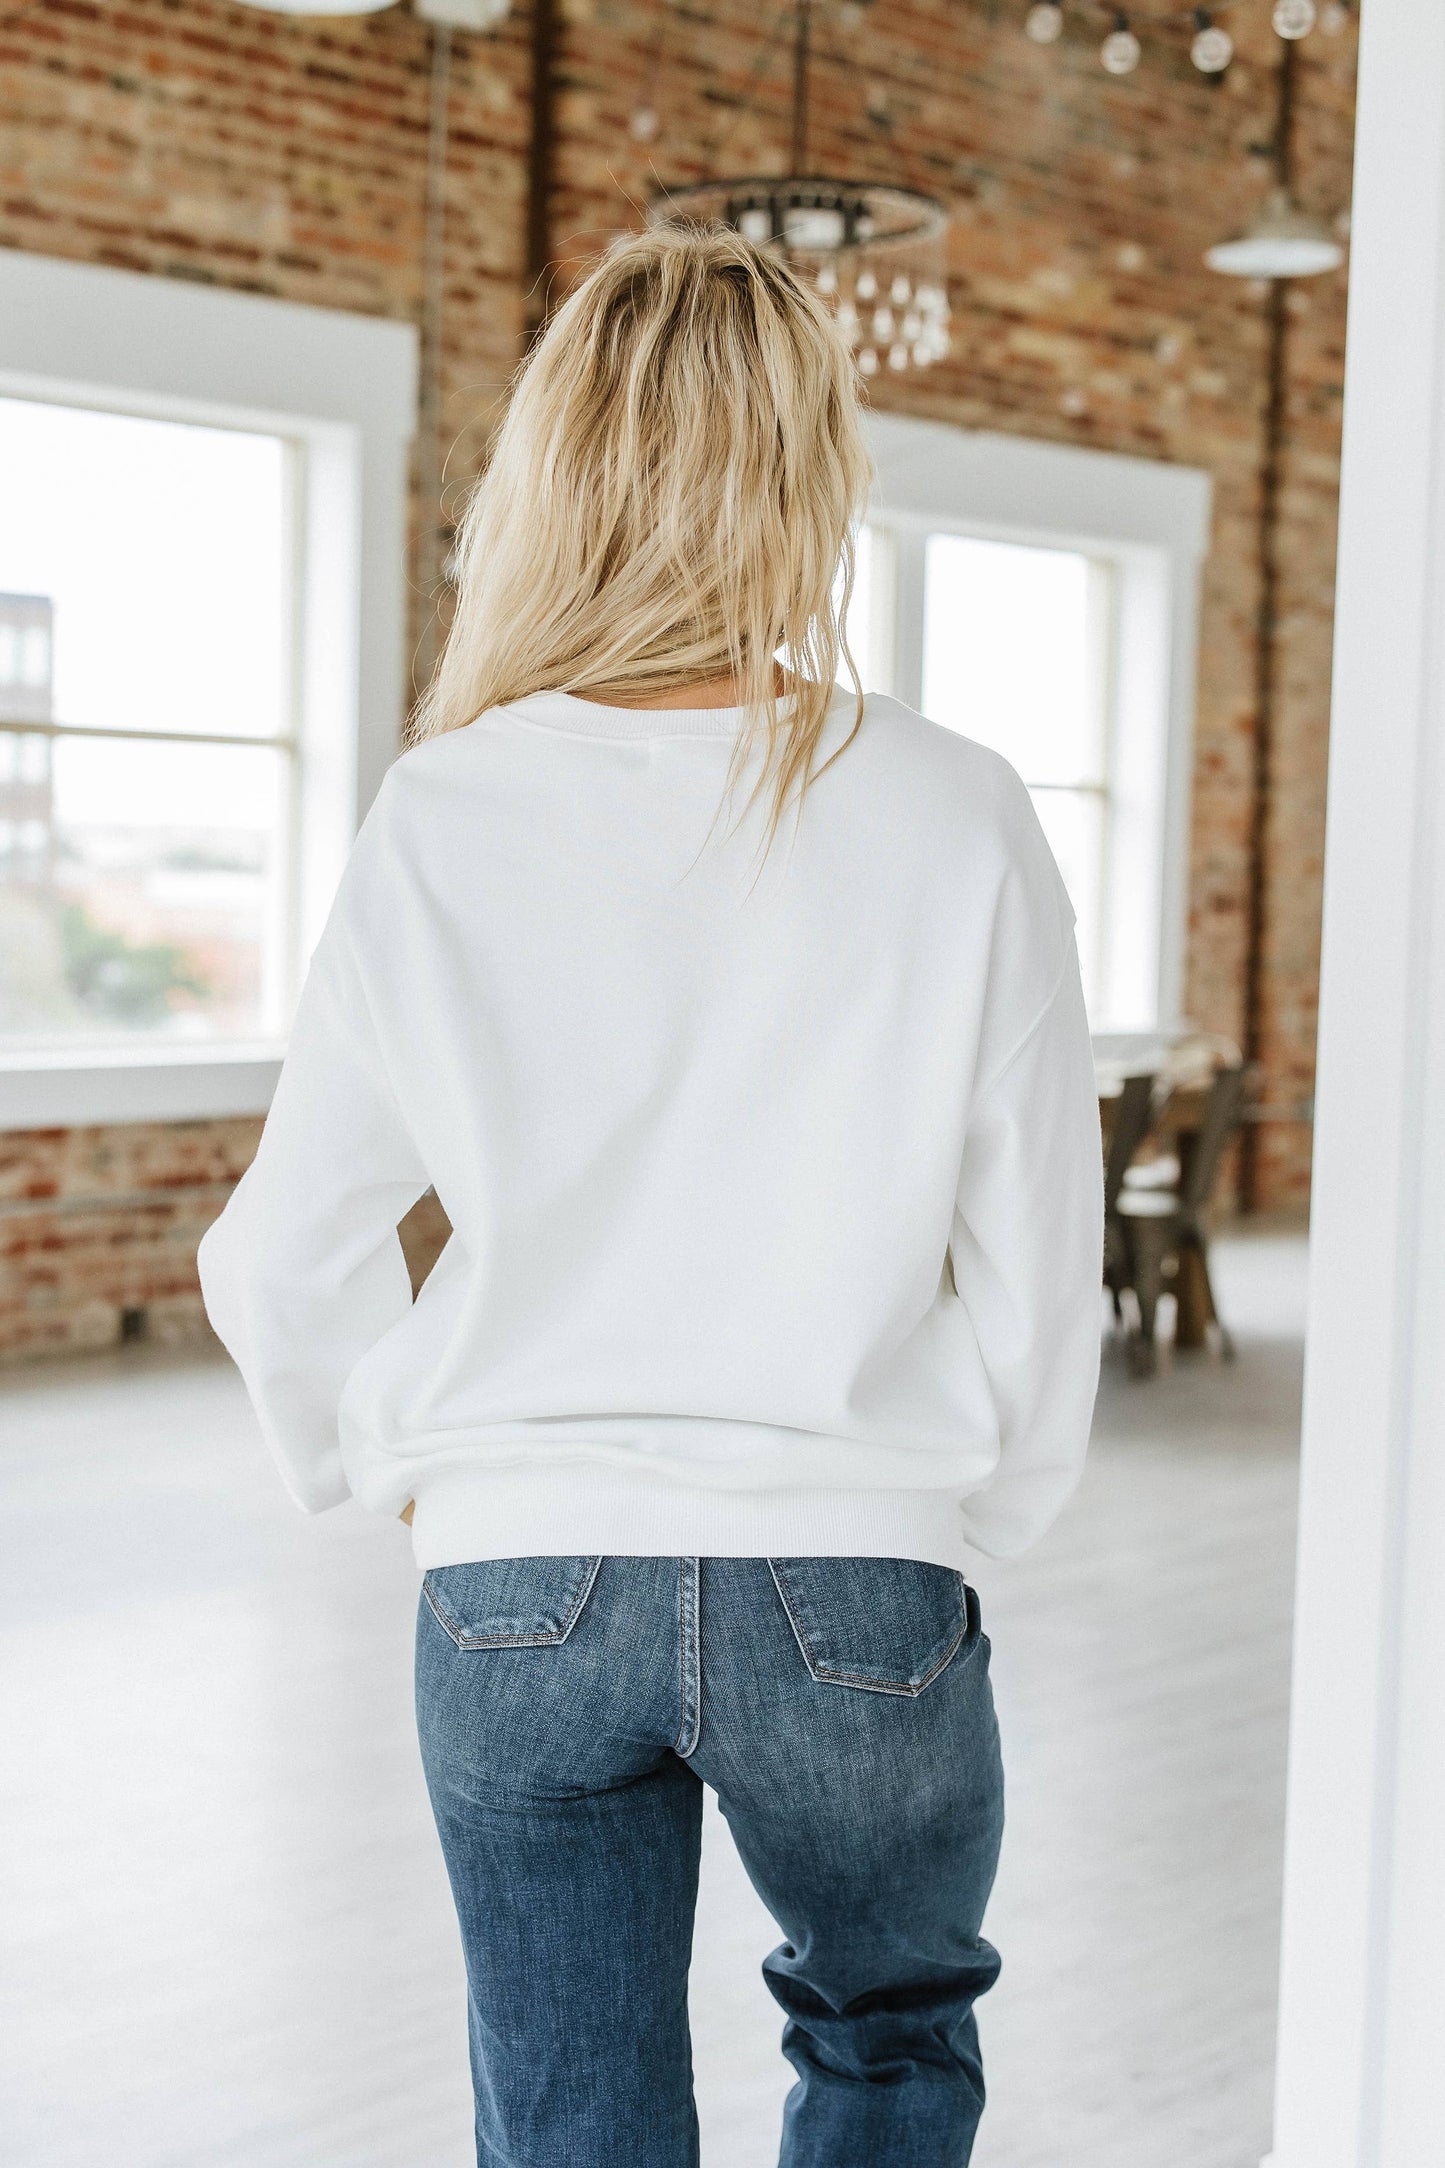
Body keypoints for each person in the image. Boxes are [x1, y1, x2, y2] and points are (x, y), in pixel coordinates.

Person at [198, 225, 1103, 2168]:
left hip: (521, 1581)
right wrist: (974, 1505)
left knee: (570, 2103)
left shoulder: (451, 804)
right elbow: (1042, 1245)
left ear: (559, 471)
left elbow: (287, 1248)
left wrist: (421, 1478)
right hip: (859, 1572)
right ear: (814, 473)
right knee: (887, 2042)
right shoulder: (957, 804)